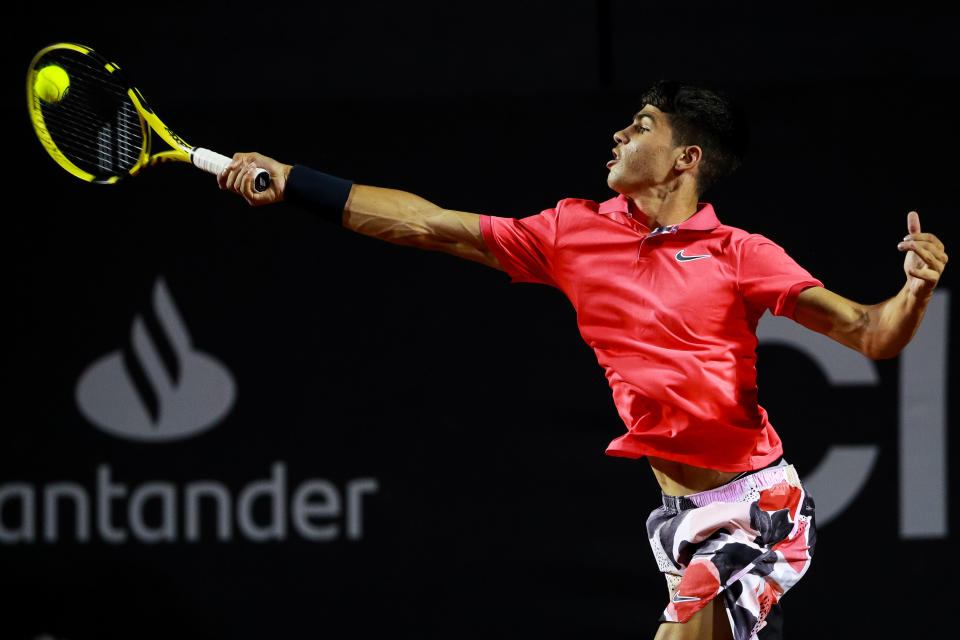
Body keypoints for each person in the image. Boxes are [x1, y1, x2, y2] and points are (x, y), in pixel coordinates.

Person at [216, 81, 947, 640]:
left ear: (685, 159)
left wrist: (913, 291)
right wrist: (294, 181)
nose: (620, 133)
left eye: (643, 125)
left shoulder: (739, 254)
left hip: (757, 508)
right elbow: (430, 226)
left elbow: (870, 334)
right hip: (680, 513)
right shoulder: (571, 233)